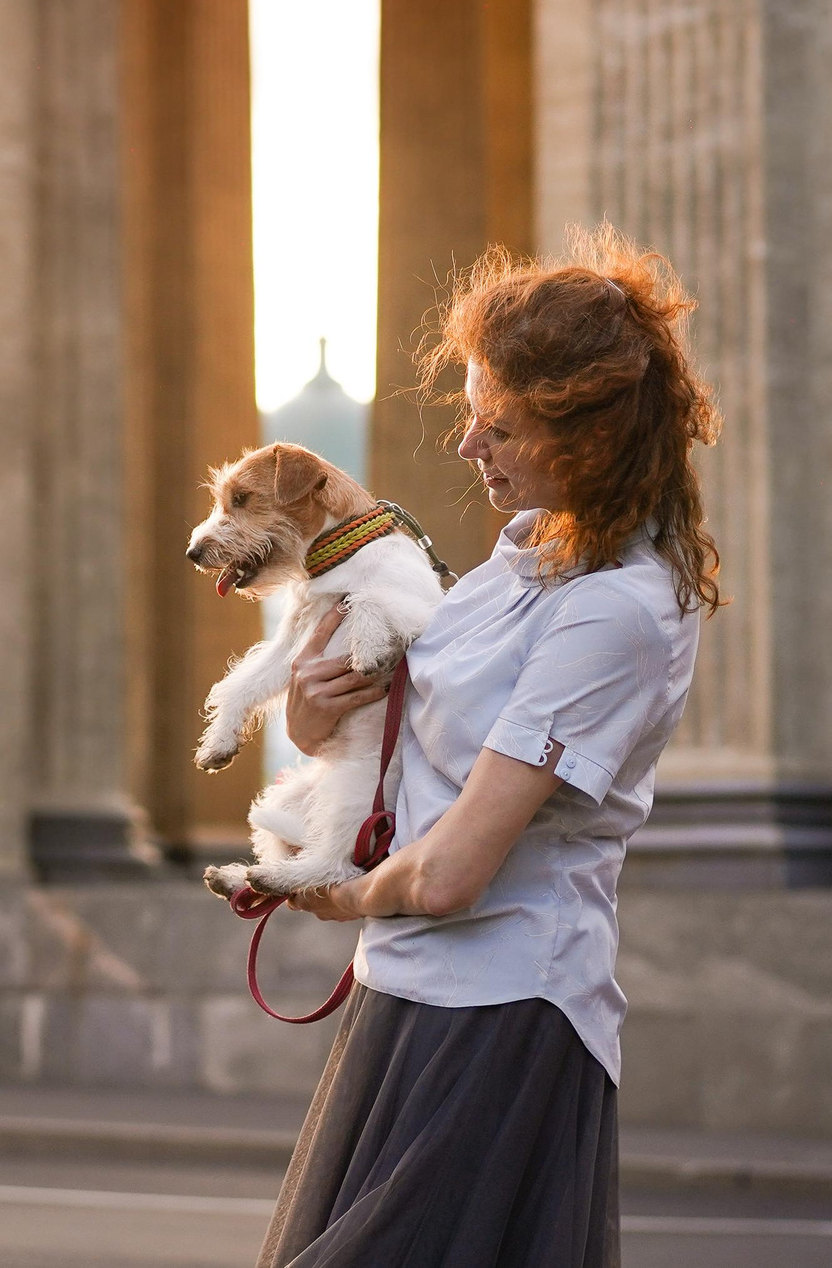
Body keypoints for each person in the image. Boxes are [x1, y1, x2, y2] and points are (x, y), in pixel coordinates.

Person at [256, 228, 724, 1268]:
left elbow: (457, 868)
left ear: (585, 438)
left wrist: (325, 889)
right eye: (473, 418)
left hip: (502, 1009)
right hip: (406, 992)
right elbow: (402, 749)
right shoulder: (517, 563)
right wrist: (310, 712)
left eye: (497, 427)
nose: (469, 449)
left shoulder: (619, 612)